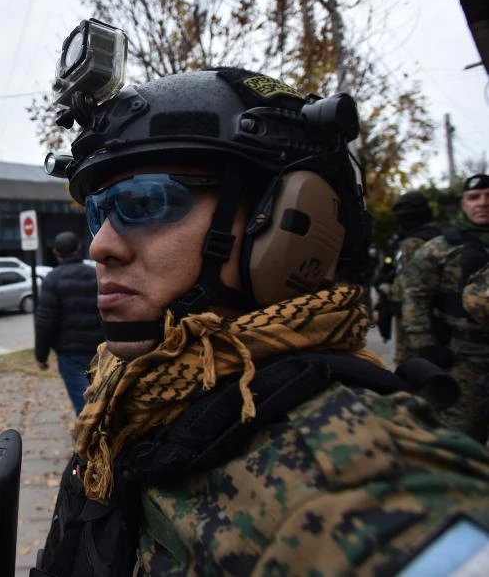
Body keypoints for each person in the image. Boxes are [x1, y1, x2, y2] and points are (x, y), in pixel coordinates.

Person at [32, 57, 489, 575]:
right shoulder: (130, 397)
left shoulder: (366, 495)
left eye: (147, 201)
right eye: (99, 211)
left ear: (290, 223)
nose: (101, 246)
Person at [402, 172, 489, 442]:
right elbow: (414, 297)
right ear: (463, 203)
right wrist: (426, 345)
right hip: (464, 358)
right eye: (473, 197)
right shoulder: (439, 248)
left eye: (488, 197)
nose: (482, 203)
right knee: (459, 439)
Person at [34, 231, 103, 414]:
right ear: (79, 248)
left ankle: (90, 436)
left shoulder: (52, 280)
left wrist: (41, 357)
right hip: (100, 349)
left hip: (69, 353)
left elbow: (45, 323)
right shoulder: (95, 274)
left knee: (83, 401)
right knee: (104, 394)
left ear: (56, 252)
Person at [373, 190, 441, 363]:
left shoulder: (413, 243)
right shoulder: (435, 238)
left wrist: (385, 289)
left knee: (412, 364)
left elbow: (407, 286)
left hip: (416, 316)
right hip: (423, 314)